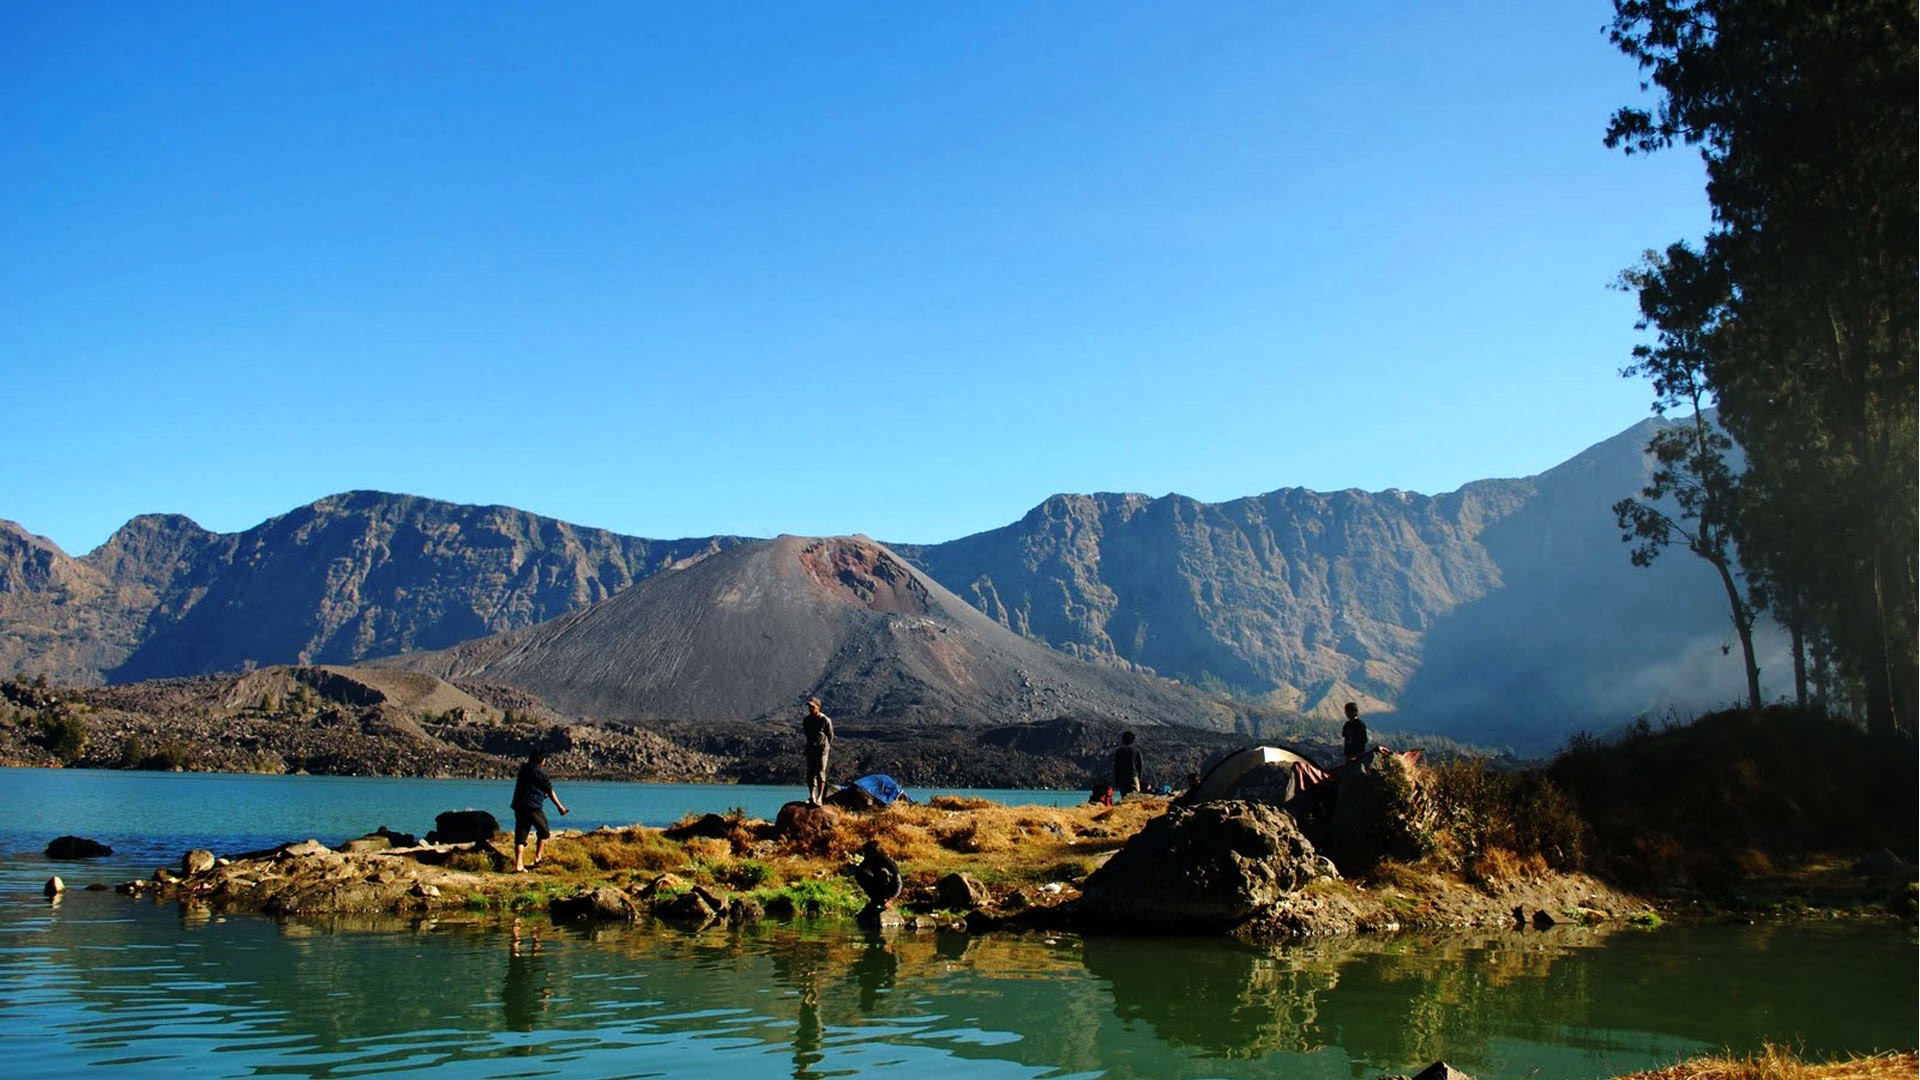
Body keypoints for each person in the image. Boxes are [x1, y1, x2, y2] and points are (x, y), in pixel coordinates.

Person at [511, 748, 568, 873]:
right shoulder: (540, 773)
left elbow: (530, 788)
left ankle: (518, 865)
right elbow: (550, 790)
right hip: (533, 807)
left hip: (519, 806)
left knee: (521, 836)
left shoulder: (523, 770)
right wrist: (560, 807)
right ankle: (538, 858)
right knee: (544, 832)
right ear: (542, 760)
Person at [802, 697, 835, 806]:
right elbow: (807, 733)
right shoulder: (806, 720)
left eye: (813, 707)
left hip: (822, 750)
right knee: (810, 774)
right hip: (810, 749)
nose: (810, 709)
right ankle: (812, 796)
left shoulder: (825, 720)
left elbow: (830, 735)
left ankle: (820, 797)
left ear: (818, 707)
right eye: (809, 707)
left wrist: (825, 746)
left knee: (820, 772)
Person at [1113, 730, 1143, 796]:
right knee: (1135, 797)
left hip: (1122, 778)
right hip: (1133, 777)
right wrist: (1139, 778)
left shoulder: (1119, 751)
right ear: (1133, 740)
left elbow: (1116, 767)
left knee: (1124, 797)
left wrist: (1116, 781)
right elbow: (1140, 766)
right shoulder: (1136, 751)